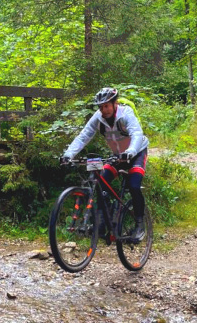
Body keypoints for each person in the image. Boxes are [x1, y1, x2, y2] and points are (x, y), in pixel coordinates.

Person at [60, 87, 149, 240]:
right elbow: (83, 136)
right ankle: (101, 224)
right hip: (117, 156)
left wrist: (131, 151)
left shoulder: (125, 113)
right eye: (101, 107)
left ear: (115, 104)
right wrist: (68, 155)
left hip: (136, 153)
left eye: (106, 106)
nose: (104, 110)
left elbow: (136, 133)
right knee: (100, 183)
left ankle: (140, 224)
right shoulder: (98, 117)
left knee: (134, 186)